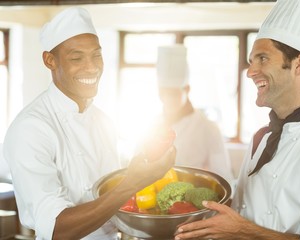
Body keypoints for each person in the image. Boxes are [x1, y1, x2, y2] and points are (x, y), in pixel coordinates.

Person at [174, 0, 300, 239]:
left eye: (262, 58)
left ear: (298, 64)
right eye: (251, 61)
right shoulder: (261, 137)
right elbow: (241, 212)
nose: (250, 71)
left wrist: (242, 230)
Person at [3, 7, 176, 240]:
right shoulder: (31, 129)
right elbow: (57, 229)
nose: (92, 67)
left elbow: (112, 195)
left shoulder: (104, 121)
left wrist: (149, 156)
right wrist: (132, 183)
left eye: (96, 55)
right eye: (76, 58)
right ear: (49, 61)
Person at [154, 44, 234, 184]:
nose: (167, 98)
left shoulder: (208, 128)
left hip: (194, 203)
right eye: (163, 92)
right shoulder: (152, 125)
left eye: (173, 93)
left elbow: (223, 179)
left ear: (187, 89)